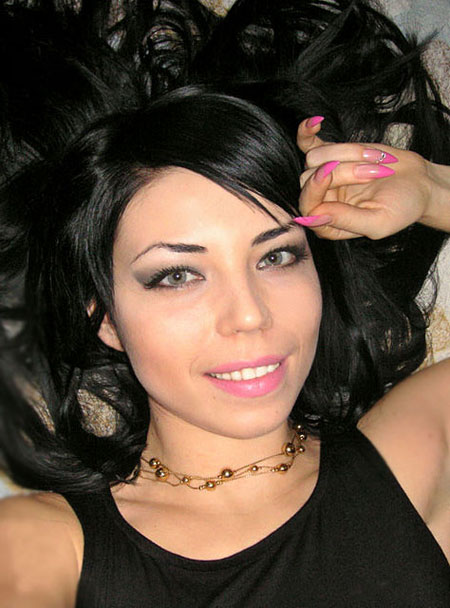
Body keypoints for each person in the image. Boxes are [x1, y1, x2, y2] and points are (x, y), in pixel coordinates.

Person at [0, 2, 449, 607]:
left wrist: (432, 191)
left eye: (276, 256)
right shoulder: (46, 545)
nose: (250, 315)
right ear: (104, 317)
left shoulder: (416, 454)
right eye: (178, 275)